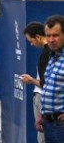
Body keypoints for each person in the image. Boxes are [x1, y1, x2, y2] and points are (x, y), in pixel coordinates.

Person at [21, 21, 50, 143]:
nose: (31, 44)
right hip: (43, 98)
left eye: (30, 40)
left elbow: (46, 84)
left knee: (44, 137)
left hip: (44, 98)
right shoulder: (49, 53)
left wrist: (31, 80)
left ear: (38, 37)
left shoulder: (47, 54)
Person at [38, 14, 64, 142]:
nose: (51, 39)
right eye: (48, 35)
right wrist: (41, 114)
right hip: (48, 123)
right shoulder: (52, 57)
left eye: (56, 35)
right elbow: (48, 89)